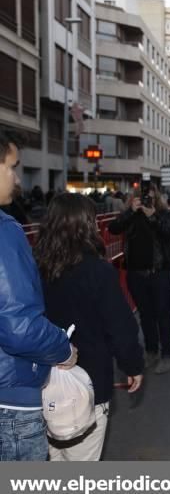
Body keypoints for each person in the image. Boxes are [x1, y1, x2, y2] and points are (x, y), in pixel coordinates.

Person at [35, 193, 143, 461]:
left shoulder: (35, 268)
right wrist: (133, 366)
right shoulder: (99, 271)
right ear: (85, 226)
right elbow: (120, 327)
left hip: (40, 384)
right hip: (88, 386)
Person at [0, 131, 77, 461]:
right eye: (11, 167)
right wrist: (63, 348)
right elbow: (19, 328)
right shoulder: (5, 230)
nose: (16, 178)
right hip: (11, 399)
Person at [108, 182, 170, 375]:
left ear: (157, 197)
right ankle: (151, 351)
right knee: (146, 315)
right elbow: (113, 228)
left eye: (151, 197)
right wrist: (130, 211)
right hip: (136, 274)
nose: (148, 200)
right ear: (135, 198)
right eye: (143, 197)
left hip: (160, 273)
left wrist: (153, 216)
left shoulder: (164, 214)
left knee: (163, 314)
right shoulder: (131, 215)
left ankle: (167, 354)